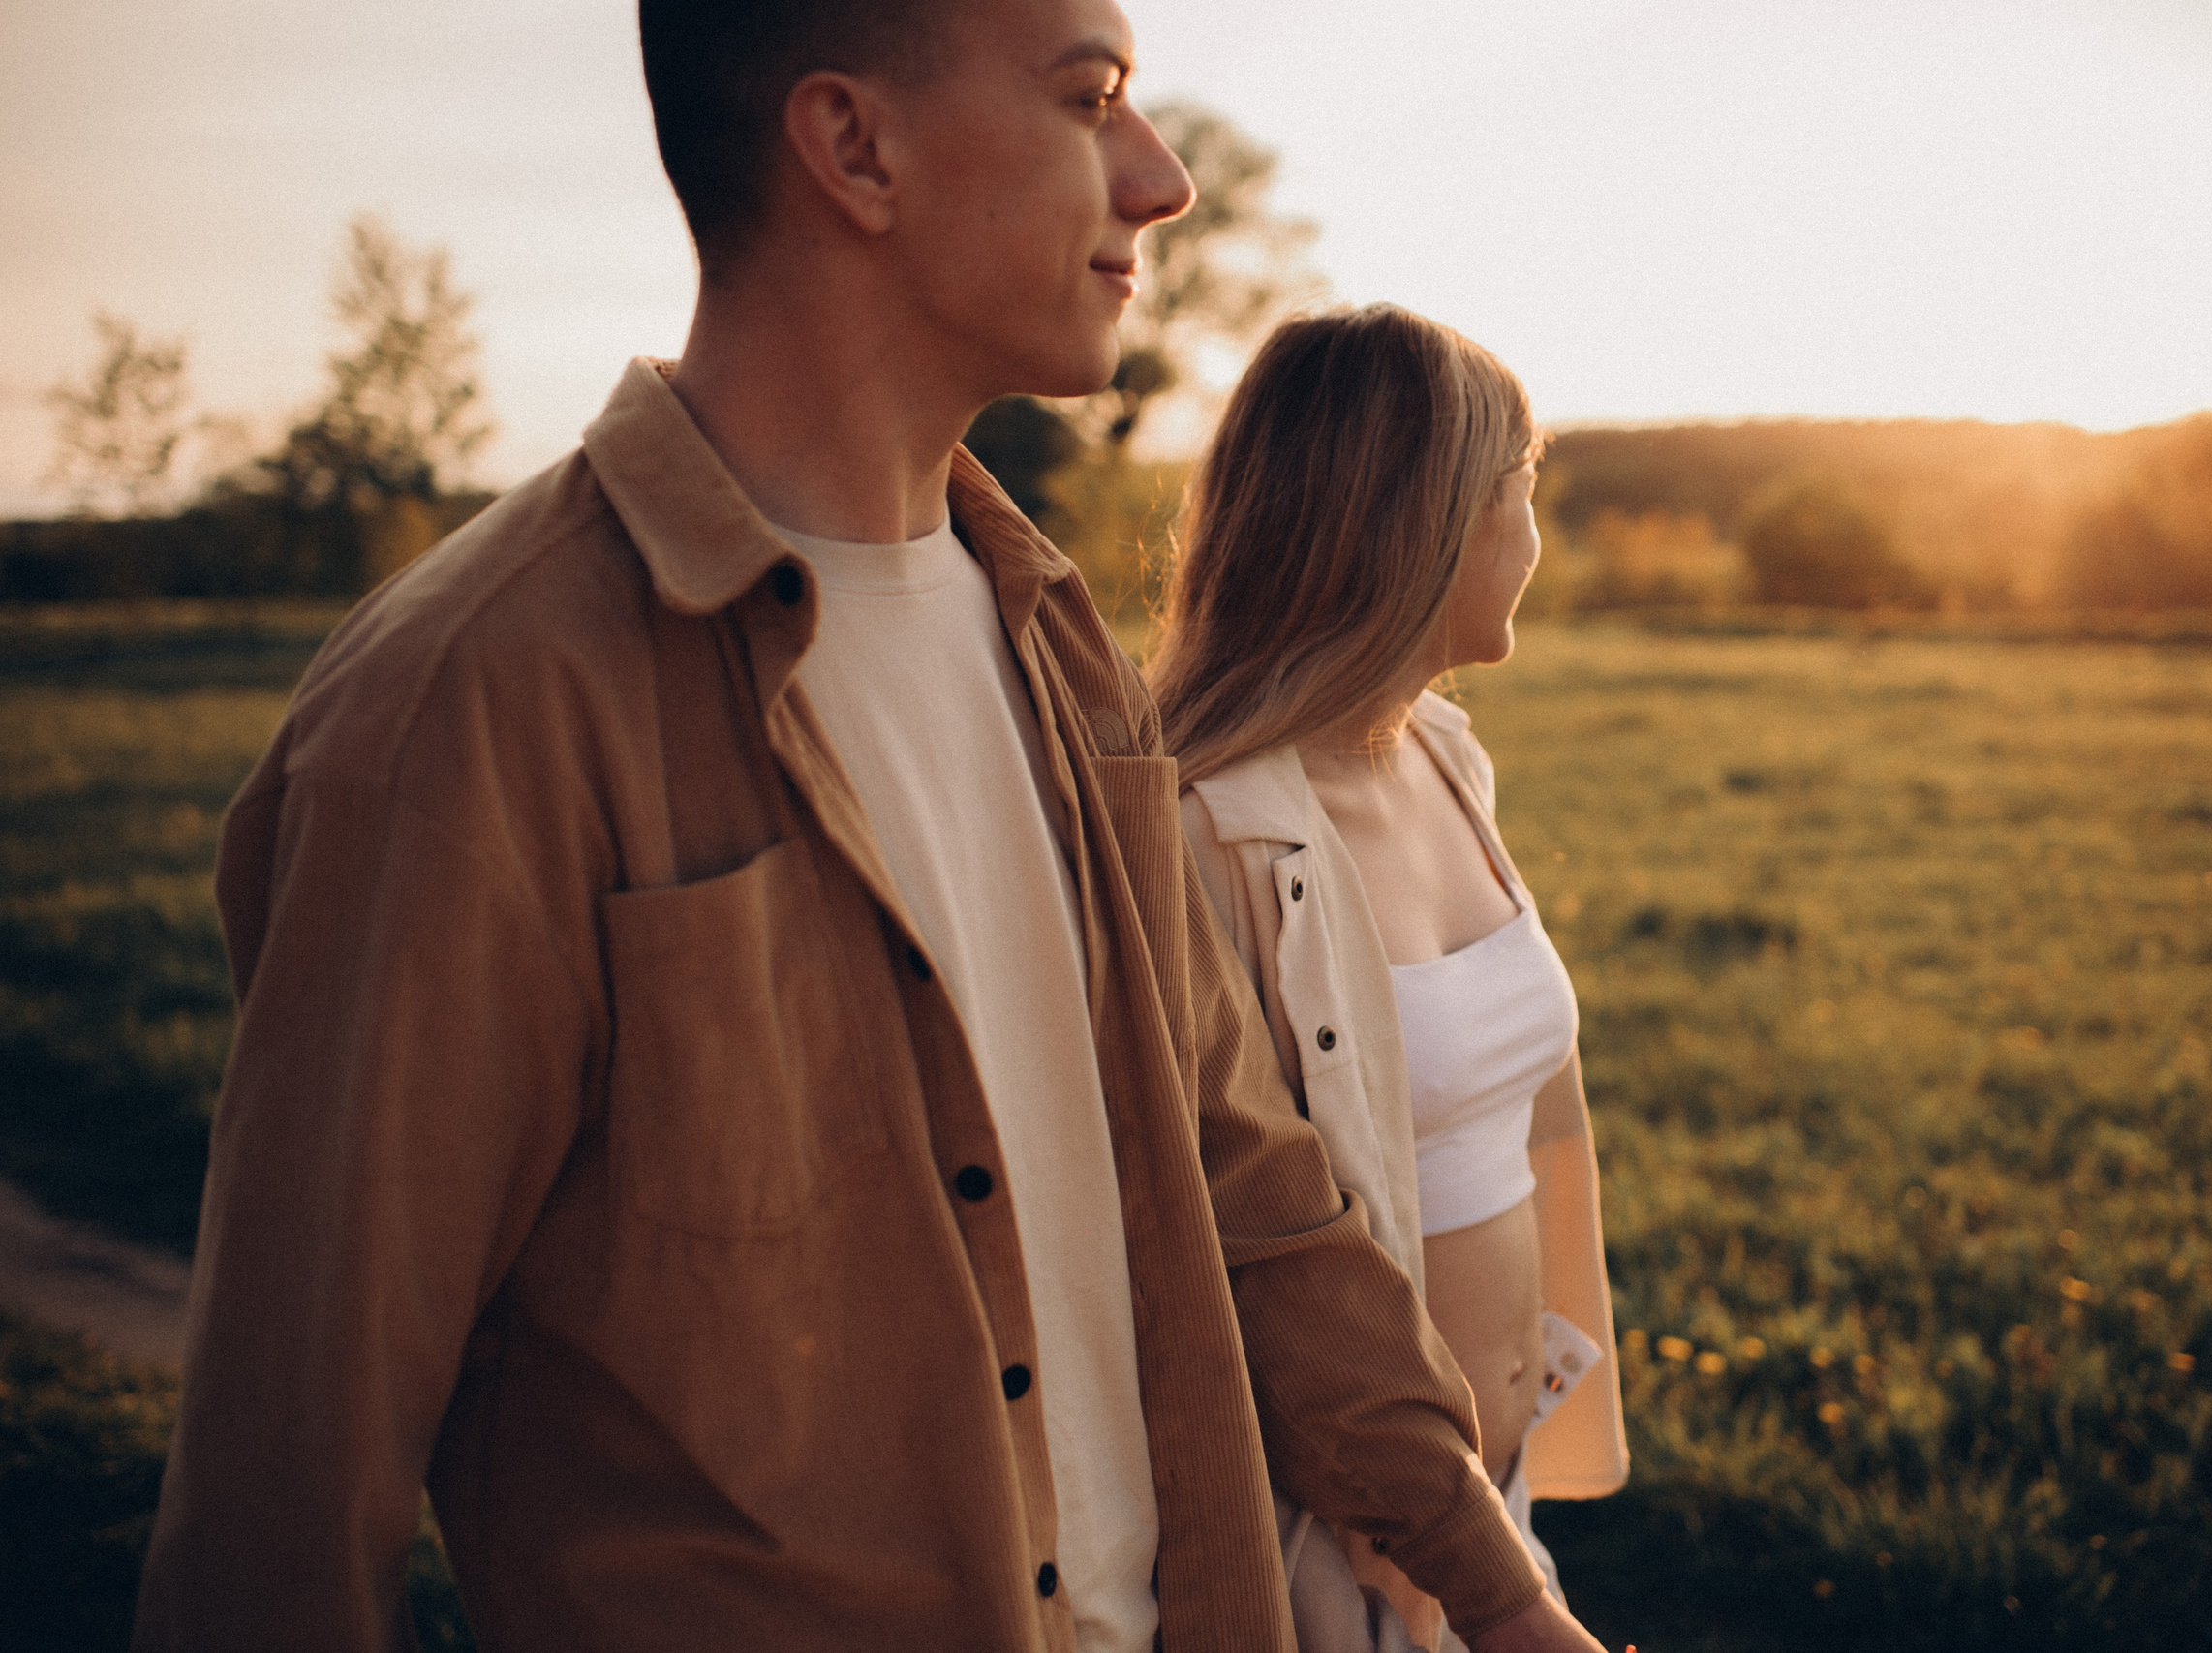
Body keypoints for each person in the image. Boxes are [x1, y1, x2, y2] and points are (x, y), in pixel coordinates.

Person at [134, 4, 1607, 1650]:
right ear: (854, 147)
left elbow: (1262, 1215)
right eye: (1090, 98)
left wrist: (1508, 1605)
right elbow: (284, 1512)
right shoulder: (470, 718)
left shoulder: (1070, 671)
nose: (1165, 180)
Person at [1152, 306, 1629, 1653]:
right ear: (1424, 524)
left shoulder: (1445, 757)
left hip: (1493, 1489)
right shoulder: (1205, 830)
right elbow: (1243, 1252)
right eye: (1522, 497)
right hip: (1332, 1542)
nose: (1537, 542)